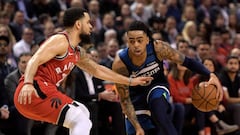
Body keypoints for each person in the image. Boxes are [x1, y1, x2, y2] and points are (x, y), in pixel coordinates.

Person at [13, 8, 152, 135]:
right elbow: (34, 59)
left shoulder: (77, 52)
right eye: (88, 22)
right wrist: (28, 84)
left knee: (84, 113)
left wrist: (130, 81)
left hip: (46, 92)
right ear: (78, 25)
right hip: (34, 90)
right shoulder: (61, 40)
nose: (91, 26)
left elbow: (98, 70)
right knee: (81, 119)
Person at [112, 21, 223, 135]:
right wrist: (137, 126)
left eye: (139, 40)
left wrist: (210, 74)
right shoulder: (120, 63)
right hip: (136, 101)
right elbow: (125, 100)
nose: (136, 44)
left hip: (157, 87)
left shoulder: (158, 48)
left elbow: (187, 61)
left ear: (147, 40)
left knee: (157, 105)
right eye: (131, 41)